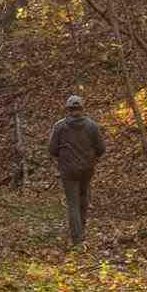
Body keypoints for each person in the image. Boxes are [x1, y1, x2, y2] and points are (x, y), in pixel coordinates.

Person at [47, 94, 105, 247]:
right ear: (82, 108)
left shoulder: (59, 126)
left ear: (68, 109)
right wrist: (91, 157)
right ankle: (82, 232)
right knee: (83, 200)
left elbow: (52, 149)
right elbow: (101, 149)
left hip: (68, 171)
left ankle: (77, 240)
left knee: (73, 204)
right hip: (87, 169)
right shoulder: (92, 126)